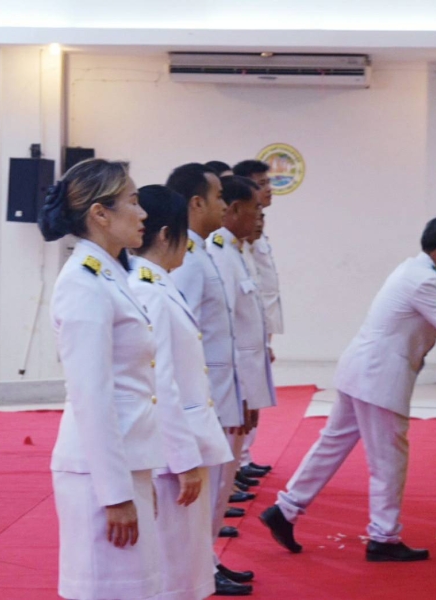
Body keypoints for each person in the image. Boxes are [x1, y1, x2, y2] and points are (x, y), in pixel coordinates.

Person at [260, 217, 436, 562]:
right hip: (379, 377)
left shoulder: (414, 271)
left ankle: (286, 509)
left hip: (362, 370)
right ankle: (384, 536)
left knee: (332, 445)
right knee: (388, 459)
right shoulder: (425, 281)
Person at [39, 158, 166, 599]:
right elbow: (91, 396)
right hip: (102, 473)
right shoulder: (83, 283)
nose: (143, 212)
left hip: (126, 460)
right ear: (100, 213)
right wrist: (115, 494)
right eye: (132, 201)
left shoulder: (110, 274)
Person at [129, 185, 235, 600]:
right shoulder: (145, 289)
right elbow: (161, 383)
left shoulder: (160, 283)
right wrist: (183, 459)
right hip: (172, 450)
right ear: (165, 233)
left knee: (185, 561)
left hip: (185, 440)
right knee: (173, 565)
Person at [166, 163, 254, 597]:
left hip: (220, 390)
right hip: (204, 396)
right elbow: (182, 338)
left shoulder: (206, 251)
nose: (225, 205)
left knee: (220, 486)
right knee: (209, 489)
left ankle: (209, 560)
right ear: (196, 203)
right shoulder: (187, 260)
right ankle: (202, 565)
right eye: (218, 197)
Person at [208, 177, 277, 470]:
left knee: (231, 458)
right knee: (222, 462)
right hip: (233, 375)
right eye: (256, 209)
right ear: (235, 209)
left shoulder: (238, 250)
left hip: (245, 372)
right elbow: (226, 326)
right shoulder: (220, 251)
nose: (260, 218)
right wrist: (242, 391)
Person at [232, 160, 282, 477]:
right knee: (243, 397)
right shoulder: (233, 242)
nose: (268, 189)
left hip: (257, 328)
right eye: (261, 183)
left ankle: (244, 457)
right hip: (241, 336)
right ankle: (239, 462)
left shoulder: (257, 232)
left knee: (253, 396)